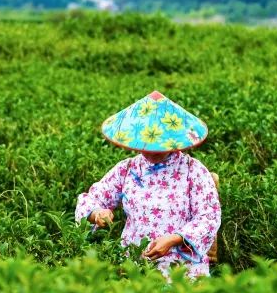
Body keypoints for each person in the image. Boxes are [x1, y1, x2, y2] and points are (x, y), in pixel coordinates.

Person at [75, 91, 221, 278]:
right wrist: (97, 214)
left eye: (159, 146)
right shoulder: (127, 169)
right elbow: (94, 198)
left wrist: (174, 239)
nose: (151, 152)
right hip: (136, 263)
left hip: (183, 268)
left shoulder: (193, 171)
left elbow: (208, 217)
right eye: (146, 145)